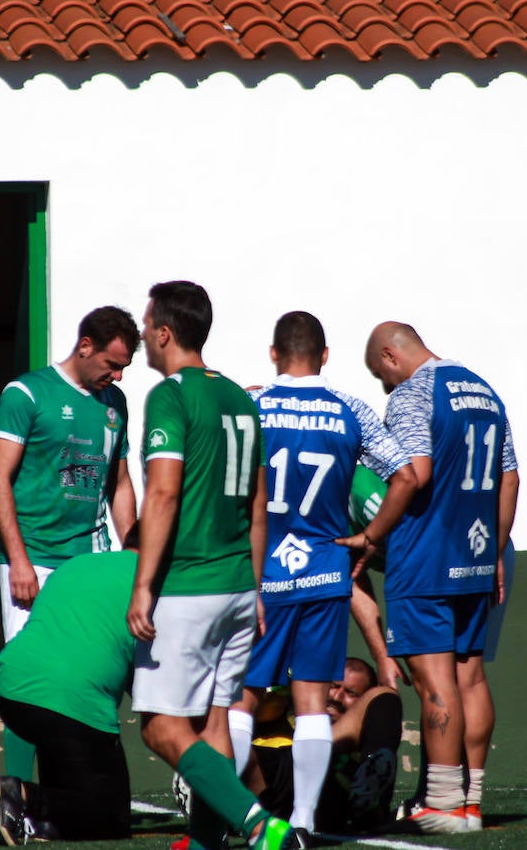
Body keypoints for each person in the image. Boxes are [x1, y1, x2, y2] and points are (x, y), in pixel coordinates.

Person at [230, 311, 417, 836]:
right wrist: (371, 535)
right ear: (326, 356)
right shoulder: (350, 409)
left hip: (263, 570)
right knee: (312, 701)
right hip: (323, 568)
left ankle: (232, 814)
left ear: (273, 353)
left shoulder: (255, 406)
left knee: (244, 695)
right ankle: (305, 822)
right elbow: (404, 477)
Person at [126, 280, 293, 850]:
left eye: (148, 325)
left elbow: (164, 494)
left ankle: (260, 827)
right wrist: (258, 587)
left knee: (161, 726)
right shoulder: (243, 400)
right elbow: (257, 506)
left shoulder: (170, 395)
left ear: (165, 332)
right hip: (239, 589)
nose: (144, 335)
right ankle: (207, 844)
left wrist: (143, 585)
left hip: (189, 587)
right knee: (215, 722)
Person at [363, 321, 520, 834]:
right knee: (470, 677)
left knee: (437, 681)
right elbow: (510, 475)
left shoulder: (413, 394)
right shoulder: (484, 389)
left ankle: (443, 804)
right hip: (475, 555)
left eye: (380, 376)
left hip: (426, 556)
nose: (385, 387)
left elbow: (417, 472)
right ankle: (470, 803)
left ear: (390, 356)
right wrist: (495, 549)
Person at [0, 305, 141, 778]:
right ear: (85, 346)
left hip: (90, 560)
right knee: (33, 680)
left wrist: (130, 550)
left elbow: (120, 482)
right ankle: (16, 789)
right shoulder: (26, 393)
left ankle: (77, 784)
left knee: (99, 671)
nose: (116, 376)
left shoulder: (115, 403)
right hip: (35, 557)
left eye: (124, 368)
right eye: (111, 365)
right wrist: (19, 561)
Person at [0, 547, 139, 843]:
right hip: (70, 701)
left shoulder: (78, 563)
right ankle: (22, 797)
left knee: (73, 778)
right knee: (112, 816)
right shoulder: (154, 583)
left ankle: (44, 821)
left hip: (9, 690)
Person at [243, 657, 404, 835]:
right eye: (334, 686)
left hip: (326, 789)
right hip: (269, 787)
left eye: (351, 693)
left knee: (385, 694)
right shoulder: (285, 706)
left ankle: (369, 794)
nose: (337, 697)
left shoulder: (352, 729)